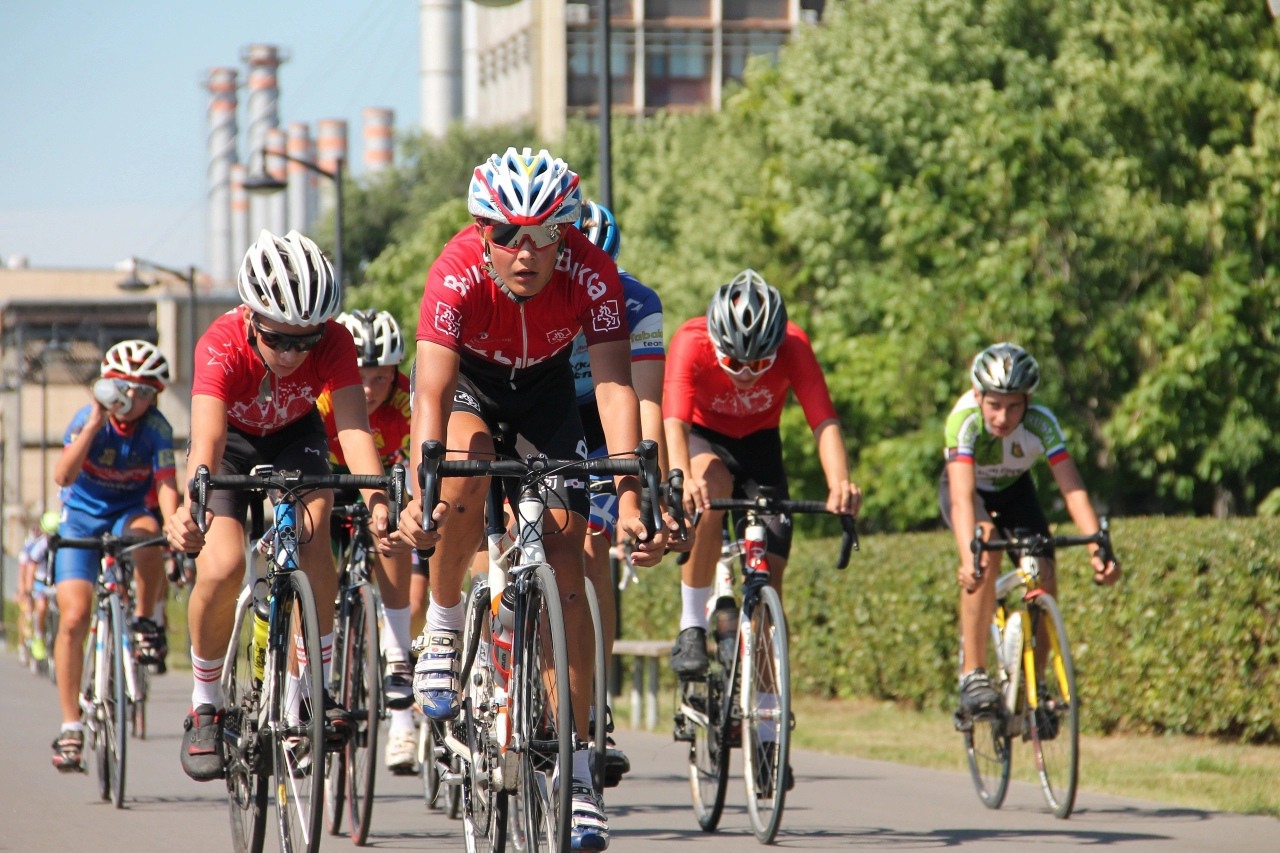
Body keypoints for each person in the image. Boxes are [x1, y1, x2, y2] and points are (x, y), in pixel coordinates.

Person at [410, 147, 668, 851]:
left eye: (544, 234)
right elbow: (429, 394)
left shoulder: (592, 270)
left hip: (547, 394)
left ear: (567, 233)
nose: (525, 252)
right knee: (465, 467)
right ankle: (441, 620)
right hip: (472, 387)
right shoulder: (456, 270)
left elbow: (615, 390)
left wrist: (631, 492)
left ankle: (579, 770)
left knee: (569, 570)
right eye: (506, 234)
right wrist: (419, 496)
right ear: (481, 231)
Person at [165, 229, 438, 783]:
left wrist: (377, 501)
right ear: (251, 319)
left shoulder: (334, 341)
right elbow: (208, 442)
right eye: (279, 340)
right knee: (221, 565)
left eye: (305, 342)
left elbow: (354, 429)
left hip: (297, 436)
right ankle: (205, 703)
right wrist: (192, 506)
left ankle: (314, 688)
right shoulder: (220, 343)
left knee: (315, 538)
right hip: (233, 446)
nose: (293, 354)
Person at [665, 270, 861, 679]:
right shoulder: (691, 341)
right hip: (705, 440)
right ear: (716, 344)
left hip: (760, 446)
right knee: (709, 488)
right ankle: (691, 625)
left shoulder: (794, 345)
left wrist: (839, 482)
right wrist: (682, 479)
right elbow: (675, 425)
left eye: (760, 363)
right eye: (734, 362)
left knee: (771, 572)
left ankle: (768, 716)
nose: (747, 373)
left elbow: (823, 421)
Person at [941, 342, 1120, 718]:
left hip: (1014, 492)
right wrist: (966, 556)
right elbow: (960, 497)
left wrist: (1097, 550)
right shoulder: (964, 421)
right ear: (978, 395)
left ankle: (1033, 687)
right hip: (969, 492)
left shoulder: (1041, 422)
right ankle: (973, 673)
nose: (1003, 417)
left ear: (1028, 401)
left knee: (1044, 568)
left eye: (1014, 405)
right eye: (994, 404)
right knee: (984, 547)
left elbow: (1072, 490)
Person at [569, 199, 669, 787]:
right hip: (549, 412)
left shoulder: (639, 304)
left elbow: (648, 401)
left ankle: (594, 698)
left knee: (592, 547)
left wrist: (648, 485)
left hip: (609, 419)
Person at [49, 340, 178, 771]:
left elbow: (165, 485)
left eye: (144, 392)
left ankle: (144, 621)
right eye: (125, 388)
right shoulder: (89, 419)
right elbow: (62, 475)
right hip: (82, 518)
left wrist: (176, 524)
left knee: (150, 535)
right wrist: (92, 424)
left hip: (128, 512)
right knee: (73, 617)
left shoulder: (156, 429)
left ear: (155, 396)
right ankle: (71, 726)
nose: (133, 400)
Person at [317, 308, 420, 774]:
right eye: (360, 376)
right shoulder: (324, 399)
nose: (369, 390)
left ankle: (399, 675)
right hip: (333, 477)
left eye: (381, 379)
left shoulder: (405, 401)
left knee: (393, 536)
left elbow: (423, 454)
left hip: (388, 479)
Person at [17, 510, 60, 669]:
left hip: (57, 583)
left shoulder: (62, 541)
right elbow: (30, 566)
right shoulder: (41, 545)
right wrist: (28, 588)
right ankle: (39, 638)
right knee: (40, 607)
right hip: (41, 582)